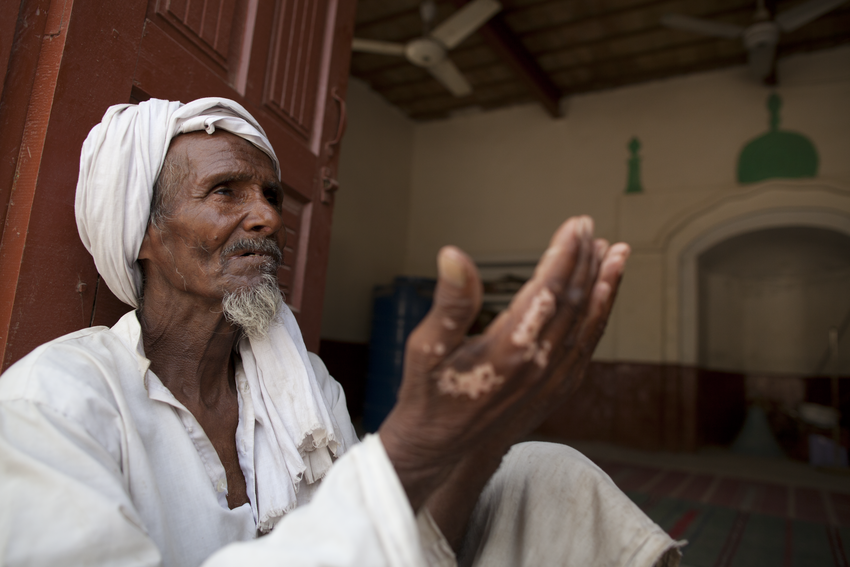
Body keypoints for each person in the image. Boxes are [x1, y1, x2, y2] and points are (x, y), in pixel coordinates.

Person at [0, 98, 681, 566]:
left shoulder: (301, 386)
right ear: (144, 233)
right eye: (226, 191)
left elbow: (386, 544)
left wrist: (491, 431)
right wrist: (411, 450)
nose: (267, 216)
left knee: (541, 471)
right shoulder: (51, 401)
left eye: (270, 195)